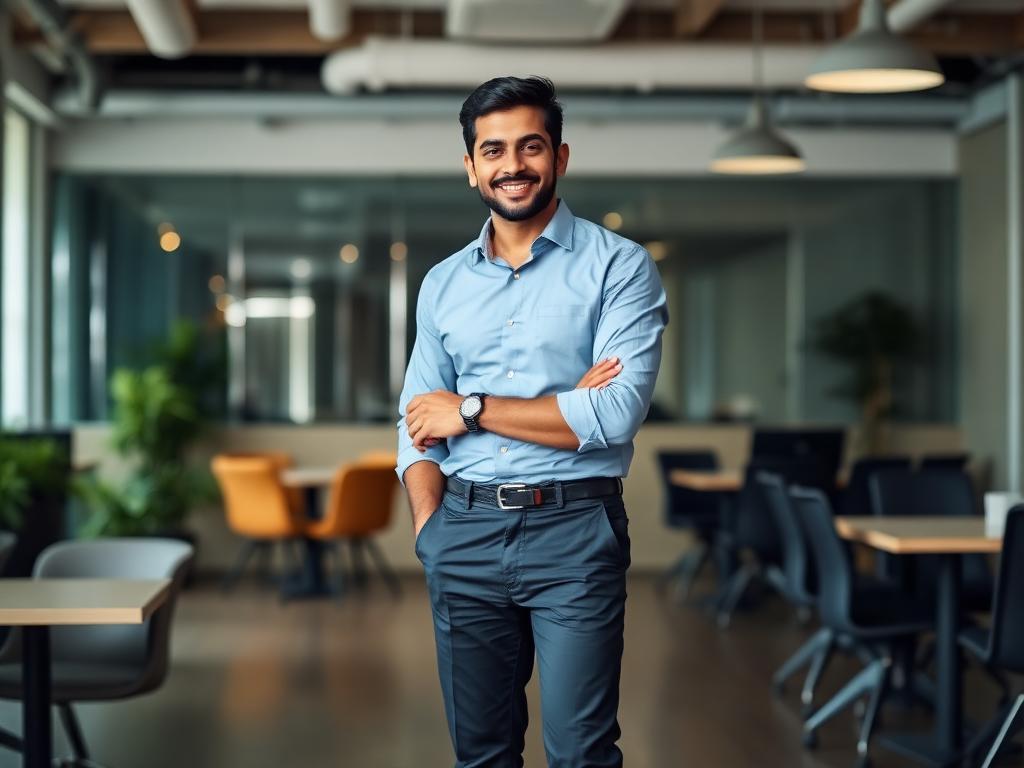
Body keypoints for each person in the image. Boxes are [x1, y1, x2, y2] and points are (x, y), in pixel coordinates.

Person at [396, 75, 668, 768]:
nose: (512, 165)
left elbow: (610, 414)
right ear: (471, 167)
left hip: (575, 535)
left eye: (530, 146)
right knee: (481, 753)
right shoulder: (442, 283)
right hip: (462, 533)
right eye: (493, 150)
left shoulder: (620, 268)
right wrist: (432, 531)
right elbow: (417, 424)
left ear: (560, 157)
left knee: (581, 752)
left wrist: (472, 410)